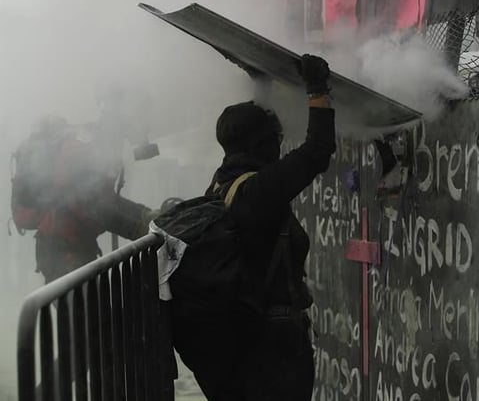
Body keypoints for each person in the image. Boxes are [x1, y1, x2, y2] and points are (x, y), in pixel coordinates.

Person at [169, 54, 335, 400]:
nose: (278, 141)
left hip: (242, 348)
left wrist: (261, 83)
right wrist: (317, 89)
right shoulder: (258, 192)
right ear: (262, 144)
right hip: (273, 354)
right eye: (273, 136)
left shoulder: (223, 183)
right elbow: (317, 151)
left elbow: (248, 128)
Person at [11, 111, 154, 284]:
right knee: (86, 309)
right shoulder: (79, 157)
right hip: (63, 254)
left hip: (68, 249)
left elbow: (108, 200)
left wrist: (146, 215)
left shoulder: (86, 157)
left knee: (91, 308)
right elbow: (96, 209)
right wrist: (142, 230)